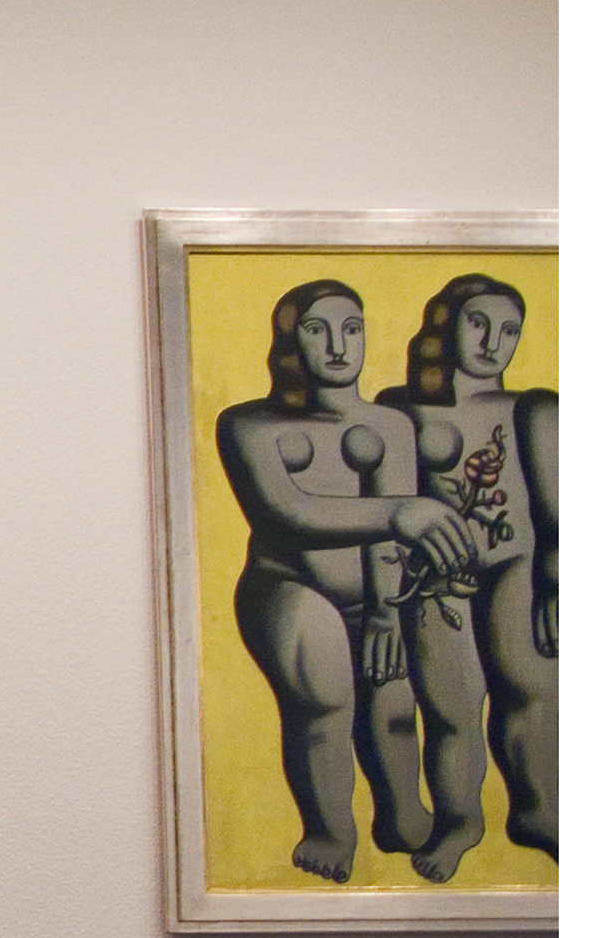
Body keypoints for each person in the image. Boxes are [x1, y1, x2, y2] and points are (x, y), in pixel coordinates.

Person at [211, 280, 479, 881]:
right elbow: (285, 513)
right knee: (325, 698)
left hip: (377, 594)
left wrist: (385, 613)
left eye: (351, 329)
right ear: (288, 341)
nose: (338, 346)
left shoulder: (388, 424)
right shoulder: (247, 424)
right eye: (318, 329)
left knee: (394, 705)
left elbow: (392, 540)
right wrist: (398, 511)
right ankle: (330, 831)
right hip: (288, 588)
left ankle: (401, 814)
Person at [378, 273, 556, 872]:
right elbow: (384, 503)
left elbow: (560, 506)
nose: (492, 342)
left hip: (518, 568)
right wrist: (385, 599)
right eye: (478, 323)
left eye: (509, 330)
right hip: (435, 579)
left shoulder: (533, 407)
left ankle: (541, 812)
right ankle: (459, 824)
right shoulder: (398, 409)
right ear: (447, 326)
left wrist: (557, 579)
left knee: (533, 695)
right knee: (450, 711)